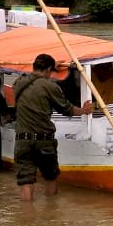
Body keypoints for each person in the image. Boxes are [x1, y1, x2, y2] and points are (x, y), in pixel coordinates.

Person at [13, 53, 93, 201]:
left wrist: (50, 68)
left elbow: (33, 78)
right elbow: (67, 110)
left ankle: (27, 219)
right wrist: (84, 110)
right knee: (50, 176)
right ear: (49, 69)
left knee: (26, 180)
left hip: (22, 141)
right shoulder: (50, 86)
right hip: (44, 140)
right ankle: (51, 213)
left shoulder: (18, 83)